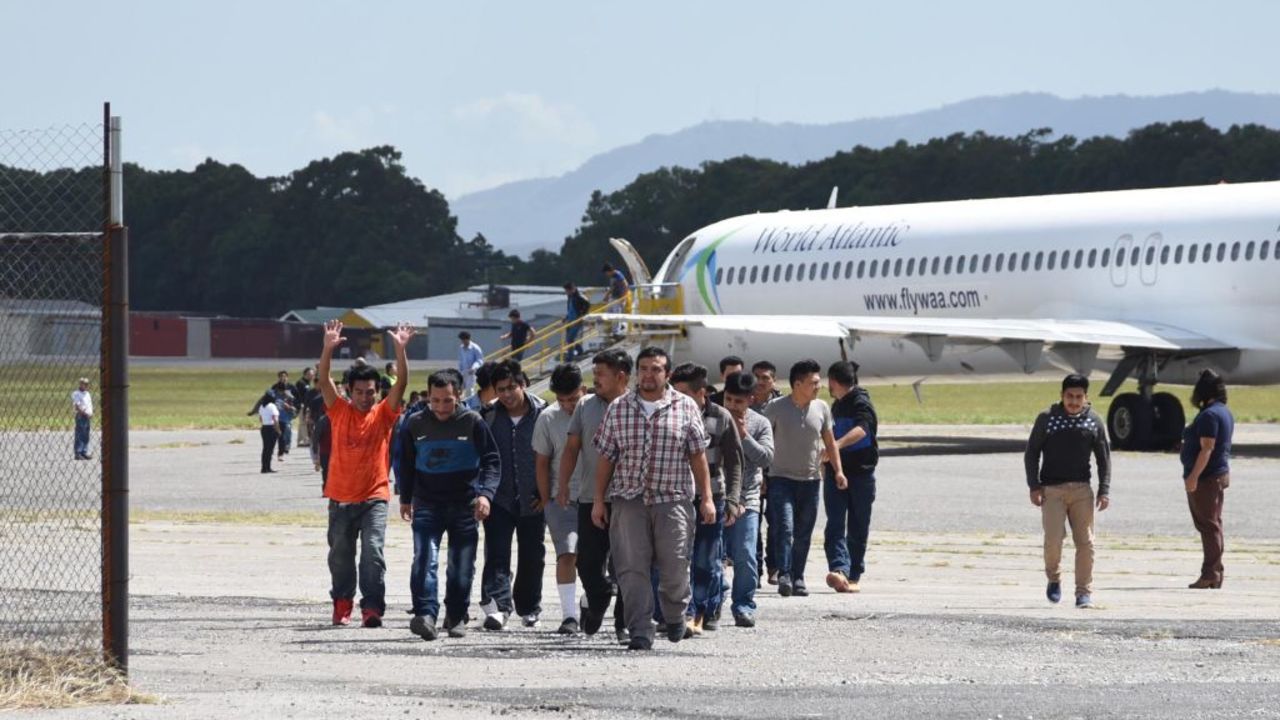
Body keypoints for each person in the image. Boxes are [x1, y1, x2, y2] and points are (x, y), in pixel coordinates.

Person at [592, 346, 715, 651]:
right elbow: (606, 457)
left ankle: (674, 614)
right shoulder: (619, 407)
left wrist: (707, 498)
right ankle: (640, 630)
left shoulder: (685, 407)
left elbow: (698, 455)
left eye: (656, 369)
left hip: (672, 499)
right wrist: (598, 500)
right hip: (628, 499)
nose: (649, 375)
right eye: (644, 368)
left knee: (674, 566)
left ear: (667, 374)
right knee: (631, 569)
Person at [318, 319, 413, 628]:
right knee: (340, 557)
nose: (365, 397)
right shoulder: (339, 410)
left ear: (377, 391)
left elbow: (401, 385)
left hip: (374, 497)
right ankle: (342, 602)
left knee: (372, 553)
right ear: (350, 391)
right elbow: (323, 381)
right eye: (359, 392)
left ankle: (371, 607)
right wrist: (328, 348)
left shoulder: (384, 413)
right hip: (341, 498)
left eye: (370, 392)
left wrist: (400, 350)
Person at [397, 370, 501, 641]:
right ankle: (426, 615)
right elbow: (405, 462)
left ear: (459, 396)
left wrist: (485, 495)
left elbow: (491, 460)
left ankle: (456, 616)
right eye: (435, 400)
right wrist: (405, 498)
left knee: (461, 564)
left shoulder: (473, 422)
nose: (441, 407)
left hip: (465, 505)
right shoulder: (414, 423)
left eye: (447, 401)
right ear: (427, 397)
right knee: (424, 558)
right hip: (427, 503)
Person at [561, 349, 632, 644]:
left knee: (628, 564)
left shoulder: (635, 406)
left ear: (621, 376)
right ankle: (599, 595)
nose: (595, 379)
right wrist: (563, 484)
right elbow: (572, 447)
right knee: (587, 563)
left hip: (629, 499)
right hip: (590, 497)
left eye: (601, 373)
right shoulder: (585, 406)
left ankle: (623, 623)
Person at [1024, 373, 1111, 609]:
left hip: (1082, 490)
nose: (1074, 401)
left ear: (1086, 397)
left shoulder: (1093, 421)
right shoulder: (1047, 419)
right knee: (1054, 540)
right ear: (1061, 396)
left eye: (1078, 397)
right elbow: (1032, 453)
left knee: (1086, 543)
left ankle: (1083, 592)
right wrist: (1034, 485)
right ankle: (1054, 578)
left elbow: (1104, 458)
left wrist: (1104, 489)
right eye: (1069, 396)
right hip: (1052, 490)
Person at [670, 362, 743, 636]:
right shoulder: (671, 414)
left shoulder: (721, 417)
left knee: (706, 558)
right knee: (675, 558)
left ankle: (701, 611)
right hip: (676, 497)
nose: (676, 398)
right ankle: (680, 611)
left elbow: (735, 462)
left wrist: (734, 500)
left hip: (712, 497)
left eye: (683, 393)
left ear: (701, 393)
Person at [763, 359, 845, 598]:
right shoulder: (776, 408)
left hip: (810, 481)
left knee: (803, 532)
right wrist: (761, 475)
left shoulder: (822, 408)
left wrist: (838, 471)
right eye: (814, 383)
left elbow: (830, 443)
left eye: (818, 382)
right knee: (785, 528)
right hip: (781, 479)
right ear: (798, 384)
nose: (819, 387)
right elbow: (763, 441)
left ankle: (799, 577)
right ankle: (785, 574)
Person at [478, 360, 548, 630]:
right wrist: (482, 492)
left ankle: (529, 607)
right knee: (496, 553)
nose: (506, 395)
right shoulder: (489, 416)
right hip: (499, 497)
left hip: (534, 498)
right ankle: (498, 607)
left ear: (523, 384)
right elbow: (482, 457)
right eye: (500, 389)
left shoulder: (544, 413)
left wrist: (546, 493)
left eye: (511, 388)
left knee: (533, 555)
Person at [532, 363, 587, 634]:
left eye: (573, 399)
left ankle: (590, 601)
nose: (567, 405)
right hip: (561, 499)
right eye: (562, 400)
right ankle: (569, 616)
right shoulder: (547, 418)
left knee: (594, 560)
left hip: (595, 497)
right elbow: (542, 461)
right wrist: (546, 498)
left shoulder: (597, 410)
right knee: (566, 554)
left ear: (583, 391)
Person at [719, 371, 773, 627]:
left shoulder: (760, 423)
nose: (731, 406)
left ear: (750, 400)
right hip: (718, 495)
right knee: (712, 555)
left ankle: (743, 605)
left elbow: (766, 458)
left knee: (745, 555)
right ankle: (712, 600)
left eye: (738, 402)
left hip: (748, 499)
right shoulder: (713, 418)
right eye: (728, 399)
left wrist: (744, 436)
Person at [824, 361, 879, 594]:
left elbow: (863, 430)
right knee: (835, 523)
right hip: (836, 472)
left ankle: (853, 574)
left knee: (858, 524)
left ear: (834, 382)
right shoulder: (836, 405)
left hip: (860, 474)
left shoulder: (861, 403)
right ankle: (839, 570)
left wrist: (836, 445)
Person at [1181, 369, 1234, 590]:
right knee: (1214, 525)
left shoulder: (1209, 415)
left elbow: (1207, 449)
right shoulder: (1224, 412)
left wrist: (1193, 476)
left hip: (1206, 478)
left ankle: (1210, 573)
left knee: (1208, 526)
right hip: (1218, 474)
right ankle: (1216, 571)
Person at [750, 360, 782, 585]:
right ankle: (756, 570)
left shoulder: (782, 405)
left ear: (773, 381)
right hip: (752, 471)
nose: (760, 382)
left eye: (765, 378)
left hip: (778, 471)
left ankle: (775, 567)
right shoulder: (745, 403)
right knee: (753, 524)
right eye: (757, 377)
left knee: (778, 522)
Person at [563, 283, 592, 361]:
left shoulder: (579, 296)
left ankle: (570, 357)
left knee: (570, 338)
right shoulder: (570, 296)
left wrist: (581, 316)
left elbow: (587, 305)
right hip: (570, 320)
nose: (567, 292)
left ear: (573, 289)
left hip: (577, 320)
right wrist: (566, 318)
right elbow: (570, 309)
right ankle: (579, 351)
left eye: (568, 291)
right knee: (569, 339)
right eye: (566, 291)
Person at [256, 391, 280, 474]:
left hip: (264, 428)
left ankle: (264, 467)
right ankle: (268, 467)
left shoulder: (261, 406)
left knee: (265, 448)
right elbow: (275, 419)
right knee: (270, 449)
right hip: (271, 428)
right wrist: (278, 430)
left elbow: (260, 419)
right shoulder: (272, 406)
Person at [71, 377, 93, 460]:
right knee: (80, 434)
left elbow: (89, 404)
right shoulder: (76, 393)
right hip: (81, 416)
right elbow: (77, 406)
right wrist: (85, 413)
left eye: (87, 384)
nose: (86, 385)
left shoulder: (87, 393)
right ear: (80, 384)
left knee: (86, 434)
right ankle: (78, 452)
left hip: (87, 416)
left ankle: (84, 451)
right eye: (84, 383)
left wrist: (91, 413)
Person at [458, 332, 484, 398]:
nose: (462, 341)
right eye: (461, 340)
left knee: (469, 391)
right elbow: (461, 360)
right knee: (459, 389)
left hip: (471, 372)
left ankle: (470, 405)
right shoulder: (461, 348)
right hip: (463, 372)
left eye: (464, 340)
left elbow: (479, 360)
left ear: (468, 339)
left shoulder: (475, 348)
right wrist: (459, 371)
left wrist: (474, 367)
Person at [295, 367, 315, 448]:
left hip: (307, 405)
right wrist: (301, 404)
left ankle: (299, 441)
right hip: (302, 405)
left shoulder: (309, 383)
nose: (312, 376)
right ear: (305, 374)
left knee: (302, 423)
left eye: (313, 374)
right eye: (310, 374)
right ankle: (306, 440)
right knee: (303, 422)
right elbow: (297, 395)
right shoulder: (300, 383)